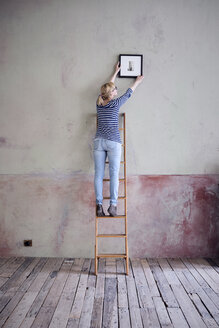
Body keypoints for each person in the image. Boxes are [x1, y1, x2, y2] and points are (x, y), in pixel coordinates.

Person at [94, 62, 144, 217]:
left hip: (98, 142)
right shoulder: (115, 104)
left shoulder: (99, 103)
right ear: (112, 94)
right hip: (113, 142)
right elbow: (129, 92)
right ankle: (113, 206)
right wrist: (137, 81)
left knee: (98, 175)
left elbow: (107, 88)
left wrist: (115, 72)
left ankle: (99, 205)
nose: (117, 90)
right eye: (115, 90)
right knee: (114, 174)